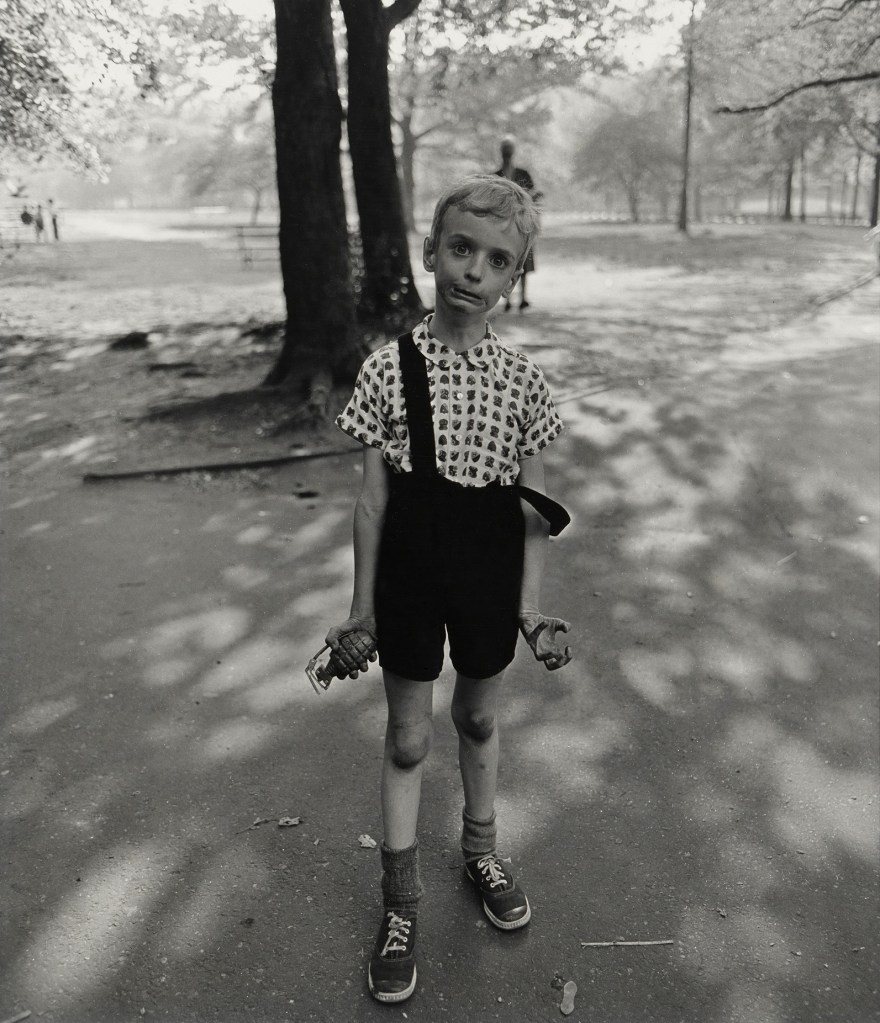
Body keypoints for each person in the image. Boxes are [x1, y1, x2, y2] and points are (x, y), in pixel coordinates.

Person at [326, 174, 573, 1004]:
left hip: (486, 577)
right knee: (406, 738)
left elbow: (535, 511)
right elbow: (370, 501)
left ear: (516, 278)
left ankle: (481, 849)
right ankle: (400, 906)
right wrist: (360, 607)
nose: (474, 269)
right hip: (407, 576)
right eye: (460, 248)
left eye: (497, 259)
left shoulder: (526, 387)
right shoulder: (387, 369)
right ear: (431, 251)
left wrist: (531, 609)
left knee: (475, 715)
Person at [495, 136, 543, 311]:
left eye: (508, 150)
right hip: (503, 228)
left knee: (522, 262)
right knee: (506, 262)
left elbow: (532, 196)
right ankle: (507, 299)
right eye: (505, 150)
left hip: (522, 225)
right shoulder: (496, 176)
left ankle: (523, 298)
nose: (507, 154)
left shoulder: (523, 174)